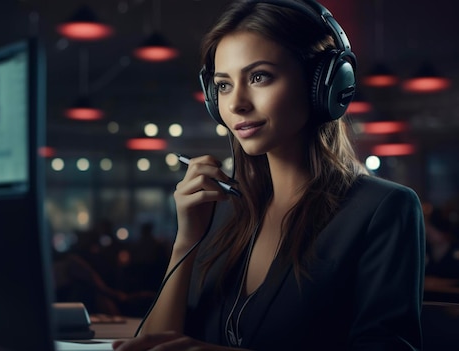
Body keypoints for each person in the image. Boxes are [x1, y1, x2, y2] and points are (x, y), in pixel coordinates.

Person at [112, 0, 425, 350]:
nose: (236, 104)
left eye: (259, 77)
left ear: (322, 84)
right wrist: (186, 241)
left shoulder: (383, 209)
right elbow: (154, 344)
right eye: (224, 85)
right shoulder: (222, 210)